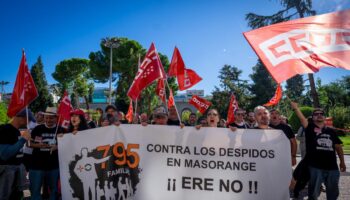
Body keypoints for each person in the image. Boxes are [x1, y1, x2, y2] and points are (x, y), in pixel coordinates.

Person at [291, 101, 346, 200]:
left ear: (325, 117)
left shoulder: (331, 131)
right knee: (313, 194)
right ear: (313, 117)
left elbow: (338, 147)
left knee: (333, 194)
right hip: (315, 167)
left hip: (332, 167)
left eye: (321, 114)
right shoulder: (309, 128)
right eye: (316, 114)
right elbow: (302, 119)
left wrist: (342, 162)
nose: (319, 115)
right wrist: (296, 108)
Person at [29, 107, 64, 200]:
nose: (49, 120)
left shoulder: (61, 130)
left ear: (56, 118)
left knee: (54, 191)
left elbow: (67, 146)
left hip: (53, 166)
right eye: (47, 117)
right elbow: (29, 144)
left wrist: (57, 146)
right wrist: (38, 146)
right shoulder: (37, 128)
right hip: (37, 166)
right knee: (35, 190)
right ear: (44, 118)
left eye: (51, 118)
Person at [0, 109, 32, 199]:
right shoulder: (5, 130)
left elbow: (18, 151)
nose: (29, 123)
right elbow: (4, 154)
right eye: (28, 119)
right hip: (6, 173)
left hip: (15, 173)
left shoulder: (16, 131)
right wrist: (23, 140)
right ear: (21, 118)